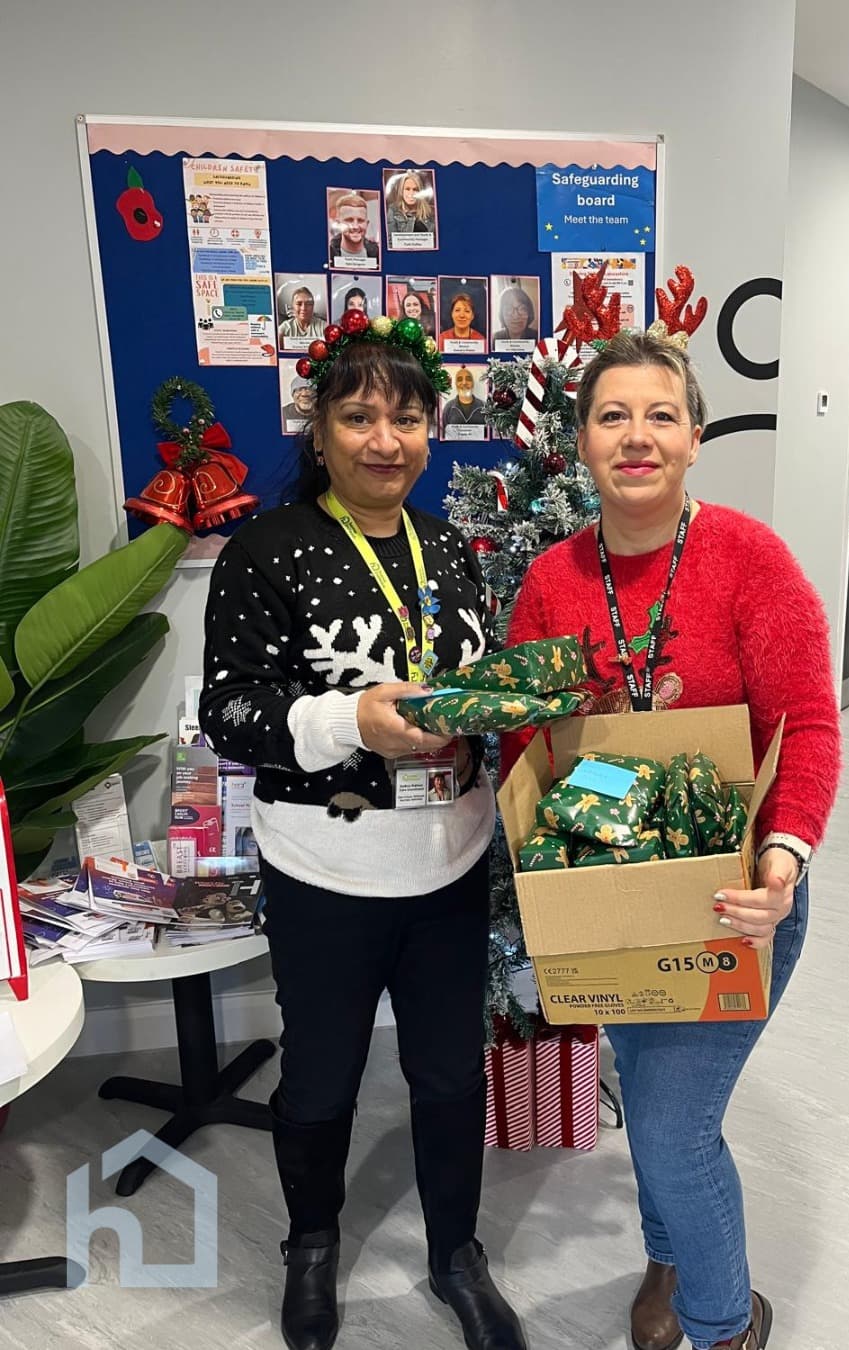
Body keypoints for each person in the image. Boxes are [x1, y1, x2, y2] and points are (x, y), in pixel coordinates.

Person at [502, 328, 841, 1350]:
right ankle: (669, 1249)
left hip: (736, 899)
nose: (636, 437)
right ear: (581, 443)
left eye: (660, 415)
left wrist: (783, 861)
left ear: (695, 437)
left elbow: (809, 728)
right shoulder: (553, 581)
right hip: (610, 895)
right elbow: (529, 738)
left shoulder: (749, 559)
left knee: (670, 1125)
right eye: (612, 416)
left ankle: (722, 1325)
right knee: (649, 1094)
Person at [200, 327, 526, 1350]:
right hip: (326, 868)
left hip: (451, 859)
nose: (387, 440)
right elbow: (230, 711)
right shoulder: (266, 551)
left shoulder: (450, 551)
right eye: (360, 416)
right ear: (322, 428)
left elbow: (471, 681)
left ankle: (456, 1254)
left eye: (408, 416)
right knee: (324, 1077)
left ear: (432, 427)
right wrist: (351, 723)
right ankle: (310, 1245)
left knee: (447, 1073)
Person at [330, 193, 380, 265]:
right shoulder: (328, 254)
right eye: (349, 220)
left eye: (360, 220)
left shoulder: (379, 254)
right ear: (338, 223)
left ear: (367, 224)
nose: (355, 226)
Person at [386, 170, 435, 235]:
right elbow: (390, 240)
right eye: (407, 189)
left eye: (415, 189)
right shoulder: (393, 210)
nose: (411, 193)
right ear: (401, 191)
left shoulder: (430, 211)